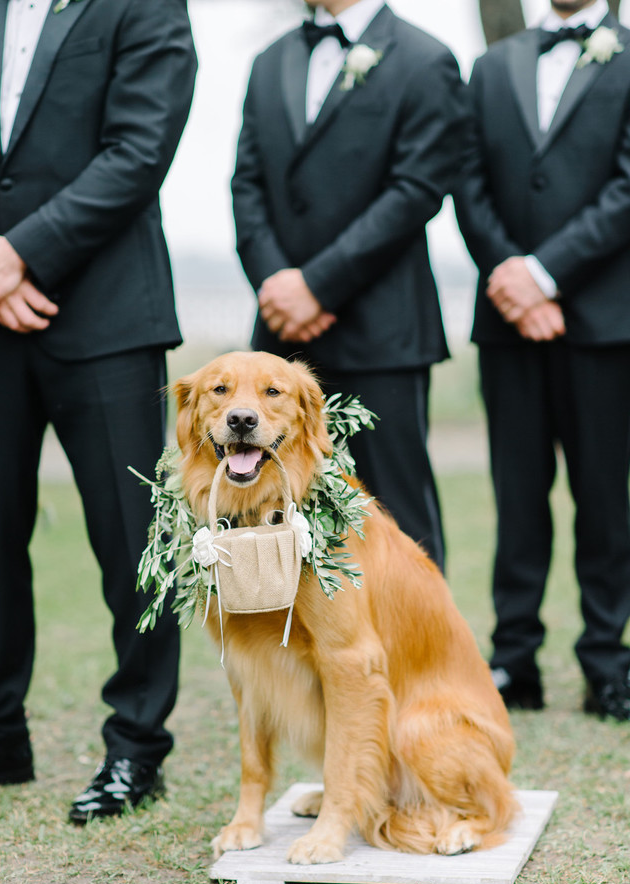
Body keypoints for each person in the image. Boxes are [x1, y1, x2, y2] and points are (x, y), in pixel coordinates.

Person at [0, 0, 198, 815]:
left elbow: (138, 150)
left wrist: (18, 253)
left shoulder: (144, 6)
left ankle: (137, 747)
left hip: (109, 315)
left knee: (131, 541)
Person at [231, 0, 468, 571]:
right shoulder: (269, 61)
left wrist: (318, 285)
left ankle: (420, 658)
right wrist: (277, 284)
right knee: (271, 516)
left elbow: (415, 190)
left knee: (396, 514)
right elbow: (246, 182)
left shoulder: (425, 58)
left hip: (382, 329)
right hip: (282, 339)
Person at [455, 0, 630, 720]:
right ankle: (513, 660)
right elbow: (467, 183)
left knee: (603, 499)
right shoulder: (491, 66)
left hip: (602, 322)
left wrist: (547, 274)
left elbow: (628, 187)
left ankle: (607, 661)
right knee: (517, 496)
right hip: (506, 322)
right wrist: (513, 278)